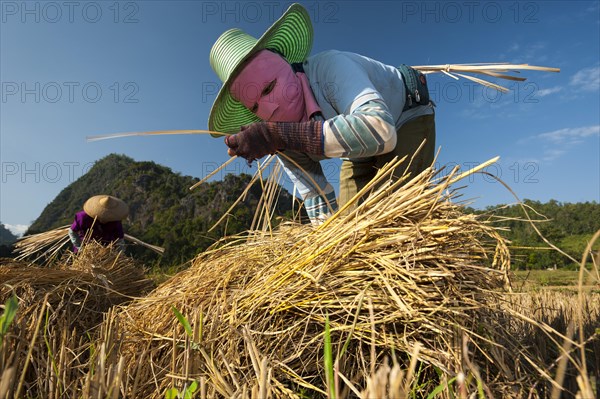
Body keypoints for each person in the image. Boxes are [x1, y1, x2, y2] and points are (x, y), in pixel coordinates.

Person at [208, 3, 435, 225]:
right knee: (349, 225)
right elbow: (315, 194)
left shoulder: (330, 69)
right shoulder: (276, 134)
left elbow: (381, 130)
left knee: (389, 219)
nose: (269, 110)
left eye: (269, 88)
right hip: (357, 151)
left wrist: (279, 136)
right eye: (255, 108)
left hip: (404, 116)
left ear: (287, 66)